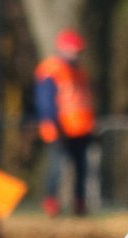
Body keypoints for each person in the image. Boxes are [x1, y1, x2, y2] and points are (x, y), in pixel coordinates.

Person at [32, 29, 97, 217]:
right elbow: (46, 100)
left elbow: (84, 101)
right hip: (60, 128)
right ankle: (51, 202)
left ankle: (79, 203)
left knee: (81, 169)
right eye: (73, 50)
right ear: (62, 49)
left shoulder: (79, 72)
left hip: (80, 129)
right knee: (56, 167)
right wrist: (52, 123)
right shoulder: (51, 69)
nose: (76, 54)